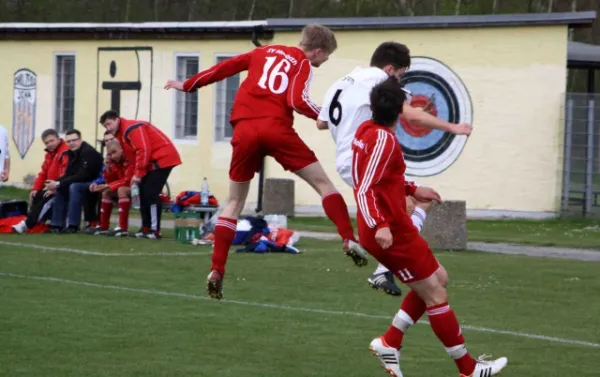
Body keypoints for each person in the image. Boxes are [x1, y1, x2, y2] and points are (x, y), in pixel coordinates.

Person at [164, 24, 369, 300]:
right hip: (276, 128)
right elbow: (297, 100)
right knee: (323, 183)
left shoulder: (261, 52)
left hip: (244, 128)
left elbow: (223, 69)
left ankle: (217, 269)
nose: (326, 60)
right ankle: (348, 238)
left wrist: (188, 85)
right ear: (317, 51)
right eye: (327, 55)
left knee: (235, 202)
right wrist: (327, 117)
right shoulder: (302, 63)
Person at [352, 77, 507, 377]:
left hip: (395, 226)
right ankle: (469, 369)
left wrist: (412, 189)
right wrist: (380, 225)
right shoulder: (384, 139)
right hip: (390, 231)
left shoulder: (366, 130)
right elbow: (364, 188)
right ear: (400, 110)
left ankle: (389, 341)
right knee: (435, 294)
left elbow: (383, 177)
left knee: (438, 278)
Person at [317, 41, 472, 296]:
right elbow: (412, 116)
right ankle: (384, 268)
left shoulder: (344, 81)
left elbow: (322, 123)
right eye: (400, 75)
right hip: (366, 155)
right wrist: (455, 128)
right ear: (390, 69)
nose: (399, 82)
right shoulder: (378, 80)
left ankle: (386, 266)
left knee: (419, 201)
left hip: (353, 155)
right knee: (405, 206)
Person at [99, 110, 181, 239]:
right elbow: (133, 156)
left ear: (117, 119)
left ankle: (154, 230)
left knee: (151, 193)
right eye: (106, 126)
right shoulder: (122, 133)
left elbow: (143, 150)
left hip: (162, 159)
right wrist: (136, 173)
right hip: (152, 162)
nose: (108, 128)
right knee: (142, 191)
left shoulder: (131, 128)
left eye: (109, 124)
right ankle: (146, 227)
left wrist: (138, 174)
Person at [46, 129, 103, 233]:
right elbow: (69, 173)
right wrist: (55, 184)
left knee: (74, 186)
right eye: (69, 141)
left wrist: (58, 183)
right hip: (84, 181)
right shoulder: (72, 153)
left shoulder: (88, 152)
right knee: (62, 186)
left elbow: (84, 175)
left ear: (80, 140)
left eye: (74, 140)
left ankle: (73, 225)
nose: (71, 143)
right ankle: (57, 224)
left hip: (96, 182)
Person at [12, 129, 68, 233]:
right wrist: (35, 188)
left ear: (58, 139)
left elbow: (66, 174)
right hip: (54, 186)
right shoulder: (50, 154)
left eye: (52, 141)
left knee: (47, 197)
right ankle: (36, 222)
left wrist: (56, 187)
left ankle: (26, 224)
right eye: (47, 143)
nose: (50, 144)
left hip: (63, 186)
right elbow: (43, 173)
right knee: (36, 195)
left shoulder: (64, 152)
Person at [90, 140, 133, 237]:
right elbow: (111, 181)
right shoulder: (115, 163)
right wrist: (108, 169)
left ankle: (123, 228)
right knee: (106, 192)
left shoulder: (130, 159)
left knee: (121, 189)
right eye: (109, 154)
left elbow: (128, 180)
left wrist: (108, 185)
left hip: (139, 188)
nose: (112, 156)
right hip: (128, 187)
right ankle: (103, 226)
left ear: (122, 150)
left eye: (114, 152)